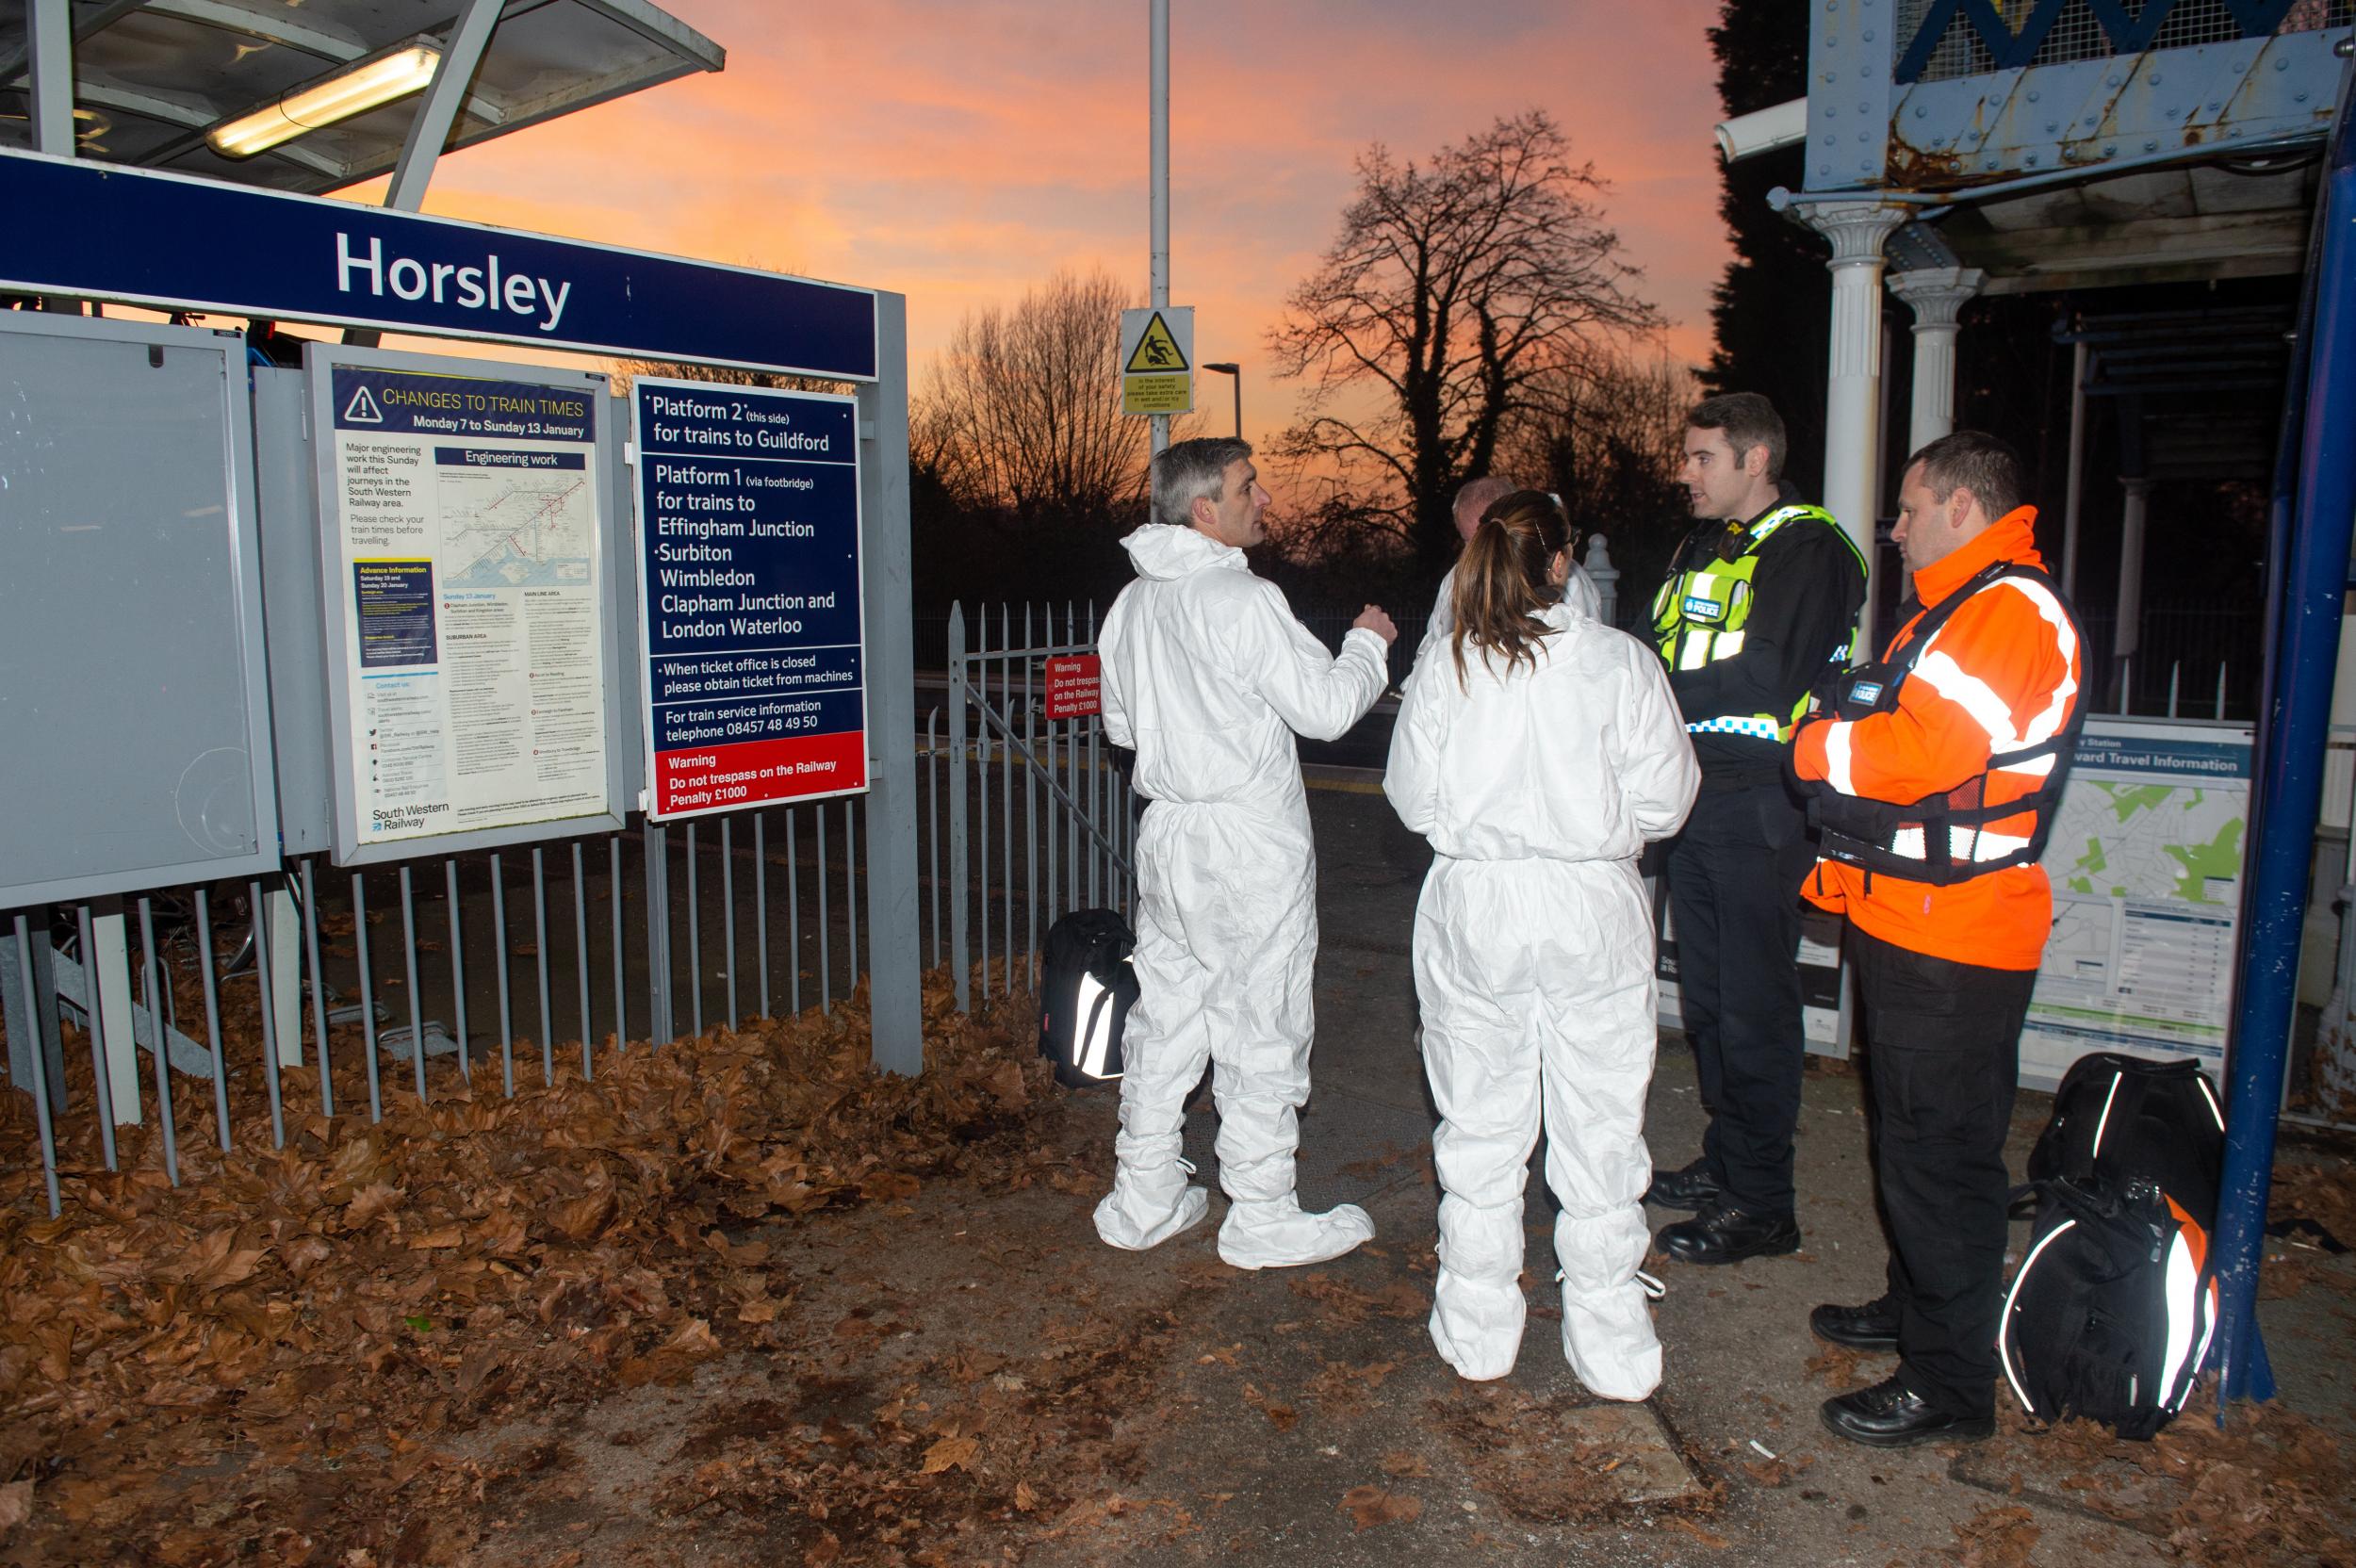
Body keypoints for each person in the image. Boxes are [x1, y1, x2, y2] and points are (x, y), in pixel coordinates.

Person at [1790, 432, 2086, 1446]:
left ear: (1962, 505)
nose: (1896, 528)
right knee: (1913, 1144)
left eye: (1909, 509)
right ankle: (1920, 1312)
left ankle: (1950, 1381)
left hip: (1953, 936)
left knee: (1942, 1162)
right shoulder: (1960, 609)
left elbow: (1920, 751)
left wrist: (1817, 741)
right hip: (1913, 919)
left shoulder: (2005, 609)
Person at [1384, 491, 1698, 1396]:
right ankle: (1611, 1335)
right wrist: (1590, 831)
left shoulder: (1450, 665)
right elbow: (1667, 799)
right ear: (1562, 565)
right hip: (1589, 905)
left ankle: (1479, 1321)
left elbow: (1412, 797)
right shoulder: (1619, 663)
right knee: (1599, 1117)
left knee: (1480, 1118)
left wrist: (1485, 834)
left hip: (1477, 903)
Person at [1094, 436, 1399, 1269]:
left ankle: (1144, 1192)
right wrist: (1369, 644)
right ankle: (1261, 1210)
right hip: (1245, 839)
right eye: (1248, 487)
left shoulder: (1132, 606)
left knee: (1168, 1012)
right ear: (1205, 510)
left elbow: (1122, 729)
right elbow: (1329, 711)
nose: (1262, 500)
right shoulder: (1242, 598)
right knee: (1260, 1017)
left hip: (1169, 833)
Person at [1646, 392, 1867, 1266]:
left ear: (1756, 461)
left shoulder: (1810, 548)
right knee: (1706, 1001)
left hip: (1762, 803)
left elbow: (1769, 675)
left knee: (1753, 1007)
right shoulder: (1703, 548)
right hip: (1696, 799)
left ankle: (1763, 1202)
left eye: (1703, 458)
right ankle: (1728, 1160)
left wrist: (1651, 693)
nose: (1685, 473)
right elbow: (1654, 643)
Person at [1417, 477, 1600, 666]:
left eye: (1491, 539)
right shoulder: (1455, 580)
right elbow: (1430, 648)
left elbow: (1588, 658)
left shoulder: (1569, 579)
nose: (1481, 553)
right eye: (1468, 541)